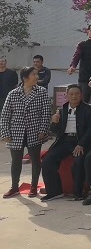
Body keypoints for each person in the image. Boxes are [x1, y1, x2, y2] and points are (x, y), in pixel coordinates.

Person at [1, 66, 51, 198]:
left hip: (34, 132)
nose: (37, 77)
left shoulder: (41, 92)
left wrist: (43, 129)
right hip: (16, 132)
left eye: (37, 74)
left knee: (35, 160)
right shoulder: (13, 93)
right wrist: (5, 133)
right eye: (34, 74)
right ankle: (14, 187)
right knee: (16, 160)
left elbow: (46, 113)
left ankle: (33, 186)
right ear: (25, 78)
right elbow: (5, 115)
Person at [40, 84, 91, 201]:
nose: (74, 96)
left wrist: (81, 144)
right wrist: (54, 122)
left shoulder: (89, 110)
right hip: (64, 141)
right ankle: (54, 192)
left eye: (77, 94)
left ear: (81, 95)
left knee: (78, 162)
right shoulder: (62, 110)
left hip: (81, 141)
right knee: (47, 161)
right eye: (71, 94)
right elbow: (55, 131)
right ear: (67, 96)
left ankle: (78, 193)